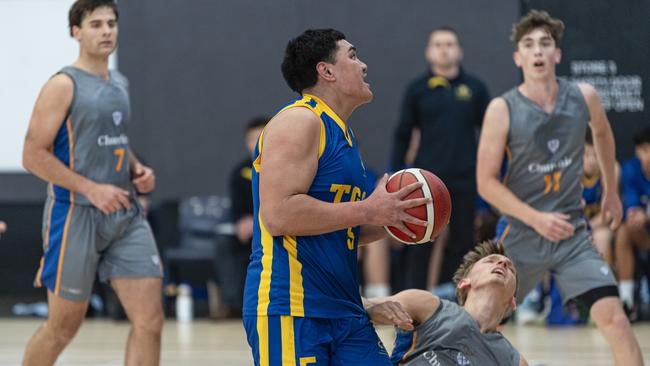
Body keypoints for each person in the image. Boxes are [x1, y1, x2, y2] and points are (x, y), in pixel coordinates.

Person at [242, 29, 430, 365]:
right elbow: (279, 215)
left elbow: (343, 227)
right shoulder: (299, 120)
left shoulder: (343, 134)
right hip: (293, 308)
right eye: (353, 56)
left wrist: (400, 219)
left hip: (345, 310)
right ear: (326, 71)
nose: (364, 65)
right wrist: (369, 210)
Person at [476, 10, 643, 365]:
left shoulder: (583, 96)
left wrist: (611, 191)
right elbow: (486, 184)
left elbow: (602, 133)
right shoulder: (501, 109)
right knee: (482, 322)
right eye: (529, 44)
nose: (538, 51)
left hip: (571, 234)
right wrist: (537, 219)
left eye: (545, 44)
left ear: (557, 55)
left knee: (615, 320)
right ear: (518, 58)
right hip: (521, 233)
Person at [21, 1, 163, 365]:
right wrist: (92, 188)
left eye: (111, 23)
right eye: (96, 24)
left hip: (123, 215)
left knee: (150, 320)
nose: (106, 31)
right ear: (76, 32)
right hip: (75, 215)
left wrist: (135, 168)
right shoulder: (63, 85)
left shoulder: (119, 82)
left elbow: (112, 136)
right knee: (63, 327)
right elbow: (33, 155)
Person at [390, 26, 491, 292]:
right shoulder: (417, 90)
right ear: (428, 52)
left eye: (449, 44)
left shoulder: (475, 88)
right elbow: (403, 134)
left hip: (466, 176)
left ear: (459, 51)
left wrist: (491, 173)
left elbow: (492, 132)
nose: (444, 49)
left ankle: (454, 299)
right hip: (427, 178)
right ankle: (415, 300)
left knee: (462, 241)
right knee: (421, 240)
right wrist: (394, 175)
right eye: (438, 44)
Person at [368, 241, 527, 366]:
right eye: (491, 261)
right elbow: (354, 307)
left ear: (513, 302)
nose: (502, 264)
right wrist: (372, 310)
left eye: (510, 269)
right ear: (464, 282)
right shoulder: (427, 305)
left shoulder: (514, 361)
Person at [212, 116, 267, 318]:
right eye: (253, 139)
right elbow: (237, 205)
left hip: (276, 226)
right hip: (248, 227)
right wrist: (241, 222)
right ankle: (232, 303)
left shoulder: (284, 167)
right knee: (224, 242)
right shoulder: (241, 171)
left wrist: (258, 222)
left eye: (262, 137)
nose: (257, 143)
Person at [615, 126, 650, 320]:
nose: (649, 155)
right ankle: (626, 301)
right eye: (645, 150)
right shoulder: (630, 169)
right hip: (644, 237)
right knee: (624, 231)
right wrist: (638, 215)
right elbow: (632, 208)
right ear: (638, 151)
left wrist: (645, 216)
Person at [583, 128, 617, 265]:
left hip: (599, 225)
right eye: (585, 154)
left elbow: (609, 213)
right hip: (574, 228)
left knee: (601, 237)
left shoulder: (611, 170)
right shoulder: (567, 171)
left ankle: (606, 284)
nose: (591, 160)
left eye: (596, 155)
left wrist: (588, 228)